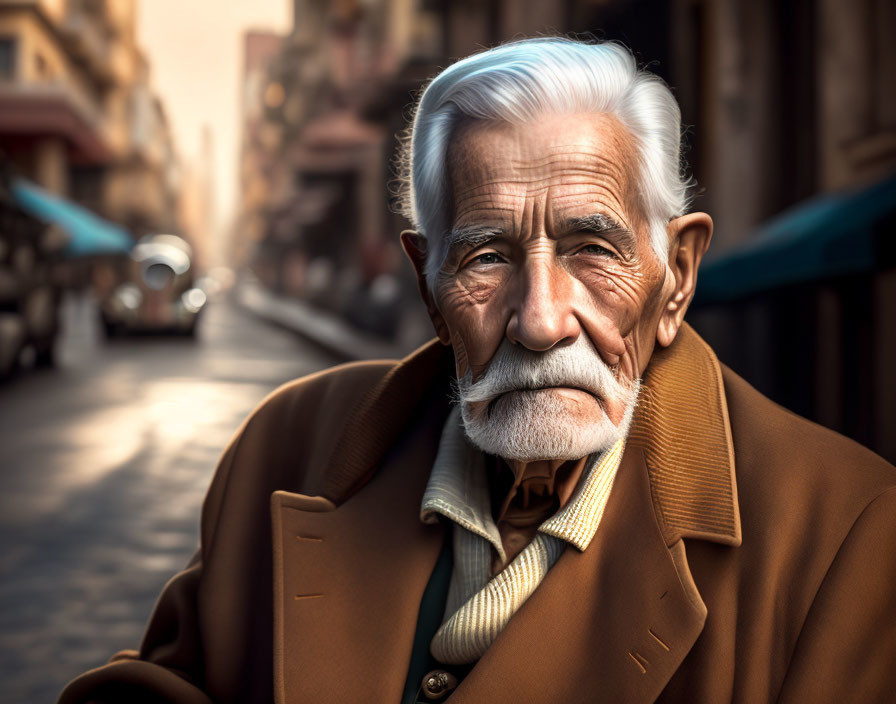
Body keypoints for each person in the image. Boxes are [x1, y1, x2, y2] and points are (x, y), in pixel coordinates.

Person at [59, 37, 896, 704]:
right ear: (429, 282)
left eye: (592, 249)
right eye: (487, 257)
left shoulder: (843, 537)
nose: (539, 320)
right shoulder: (291, 448)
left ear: (674, 275)